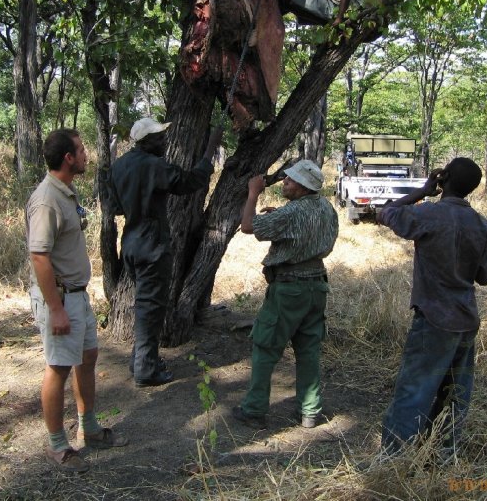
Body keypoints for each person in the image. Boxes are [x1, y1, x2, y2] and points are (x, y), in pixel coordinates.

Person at [376, 158, 487, 456]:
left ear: (443, 179)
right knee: (455, 394)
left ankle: (394, 458)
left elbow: (386, 212)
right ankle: (441, 455)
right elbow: (486, 275)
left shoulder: (429, 214)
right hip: (466, 319)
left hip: (433, 318)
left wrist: (423, 191)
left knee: (414, 390)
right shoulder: (482, 224)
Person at [27, 128, 127, 473]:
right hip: (60, 298)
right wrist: (55, 309)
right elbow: (39, 256)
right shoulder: (46, 200)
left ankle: (90, 428)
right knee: (57, 368)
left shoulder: (66, 191)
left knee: (87, 357)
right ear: (68, 158)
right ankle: (57, 445)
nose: (86, 155)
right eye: (82, 150)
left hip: (77, 295)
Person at [108, 118, 223, 387]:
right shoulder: (153, 165)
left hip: (131, 245)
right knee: (150, 308)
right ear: (147, 142)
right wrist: (210, 149)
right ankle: (146, 370)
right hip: (151, 247)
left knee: (146, 305)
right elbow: (189, 182)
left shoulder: (120, 166)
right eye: (160, 138)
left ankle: (141, 360)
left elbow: (116, 208)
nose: (165, 142)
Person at [232, 160, 339, 430]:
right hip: (317, 286)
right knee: (308, 349)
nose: (284, 183)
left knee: (265, 346)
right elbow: (304, 224)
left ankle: (254, 410)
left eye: (290, 180)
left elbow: (247, 226)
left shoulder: (290, 214)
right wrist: (279, 215)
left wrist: (253, 192)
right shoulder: (326, 208)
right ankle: (310, 410)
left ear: (303, 187)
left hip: (289, 289)